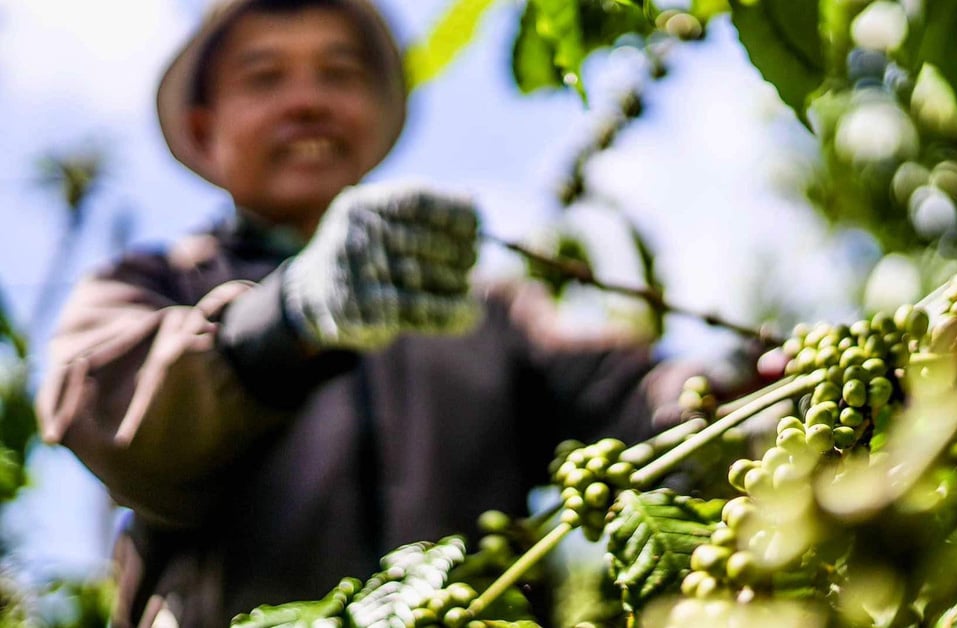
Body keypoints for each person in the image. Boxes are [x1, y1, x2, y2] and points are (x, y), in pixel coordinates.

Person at [35, 1, 683, 625]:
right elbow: (107, 411)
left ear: (375, 115)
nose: (307, 101)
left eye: (339, 74)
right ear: (206, 128)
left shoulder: (484, 314)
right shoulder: (155, 283)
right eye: (264, 78)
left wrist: (736, 395)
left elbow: (628, 398)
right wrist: (282, 322)